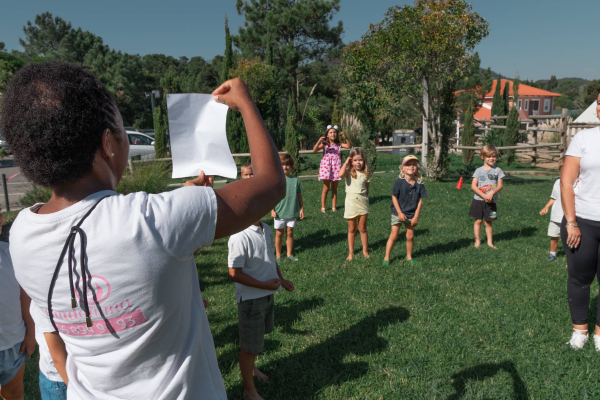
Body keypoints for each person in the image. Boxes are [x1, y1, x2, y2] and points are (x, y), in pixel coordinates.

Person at [0, 61, 286, 399]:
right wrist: (246, 104)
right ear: (108, 143)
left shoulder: (20, 234)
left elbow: (111, 227)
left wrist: (182, 201)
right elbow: (270, 185)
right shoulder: (154, 221)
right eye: (121, 128)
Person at [228, 166, 295, 400]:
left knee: (257, 342)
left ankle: (252, 370)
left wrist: (281, 278)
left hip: (267, 295)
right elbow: (234, 273)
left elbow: (270, 259)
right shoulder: (239, 235)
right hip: (251, 300)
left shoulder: (265, 229)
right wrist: (264, 286)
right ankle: (249, 390)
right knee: (248, 347)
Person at [560, 90, 600, 350]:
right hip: (583, 219)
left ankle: (599, 335)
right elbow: (566, 179)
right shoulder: (584, 138)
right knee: (579, 277)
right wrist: (571, 221)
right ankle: (580, 331)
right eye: (599, 103)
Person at [0, 217, 35, 400]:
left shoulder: (11, 255)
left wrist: (31, 331)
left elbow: (24, 296)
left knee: (14, 392)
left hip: (15, 345)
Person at [383, 155, 427, 266]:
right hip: (397, 213)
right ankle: (386, 258)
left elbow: (420, 201)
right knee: (394, 236)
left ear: (417, 168)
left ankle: (409, 257)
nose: (411, 167)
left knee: (410, 237)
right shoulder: (398, 182)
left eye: (414, 164)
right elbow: (394, 197)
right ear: (402, 168)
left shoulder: (420, 184)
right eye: (408, 164)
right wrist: (399, 213)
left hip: (412, 214)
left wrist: (416, 216)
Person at [339, 147, 371, 261]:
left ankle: (365, 251)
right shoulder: (348, 172)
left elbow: (367, 190)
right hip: (351, 203)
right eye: (355, 160)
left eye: (360, 160)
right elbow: (340, 174)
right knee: (352, 229)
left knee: (362, 228)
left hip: (362, 202)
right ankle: (351, 253)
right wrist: (346, 163)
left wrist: (366, 200)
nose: (358, 162)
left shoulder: (366, 174)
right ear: (351, 161)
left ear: (364, 161)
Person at [469, 145, 505, 249]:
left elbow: (500, 185)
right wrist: (484, 195)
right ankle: (477, 241)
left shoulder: (498, 170)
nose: (492, 159)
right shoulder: (478, 171)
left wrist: (492, 193)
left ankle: (490, 242)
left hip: (491, 202)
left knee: (489, 222)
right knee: (478, 221)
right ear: (483, 157)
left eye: (494, 156)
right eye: (489, 156)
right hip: (478, 201)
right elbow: (473, 186)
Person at [30, 302, 68, 400]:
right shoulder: (44, 301)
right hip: (60, 379)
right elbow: (58, 358)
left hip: (75, 375)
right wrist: (78, 391)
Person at [271, 154, 304, 262]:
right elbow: (271, 196)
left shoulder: (295, 180)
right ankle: (278, 256)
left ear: (291, 166)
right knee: (279, 234)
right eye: (282, 165)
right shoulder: (275, 180)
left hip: (292, 211)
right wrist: (272, 210)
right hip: (279, 212)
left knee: (290, 232)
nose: (285, 167)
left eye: (287, 165)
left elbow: (299, 195)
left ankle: (289, 254)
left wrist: (301, 208)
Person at [313, 125, 352, 213]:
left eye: (334, 132)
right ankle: (323, 207)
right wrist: (319, 141)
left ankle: (334, 207)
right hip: (326, 168)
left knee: (334, 189)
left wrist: (346, 138)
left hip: (336, 168)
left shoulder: (339, 144)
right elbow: (314, 150)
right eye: (331, 132)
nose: (333, 134)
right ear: (327, 134)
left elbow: (349, 146)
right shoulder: (325, 144)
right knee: (326, 189)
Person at [539, 157, 565, 262]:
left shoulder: (577, 183)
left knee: (570, 239)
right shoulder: (557, 182)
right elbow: (554, 197)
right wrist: (546, 207)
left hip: (569, 218)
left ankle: (572, 257)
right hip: (556, 216)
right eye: (562, 169)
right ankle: (552, 254)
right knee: (554, 236)